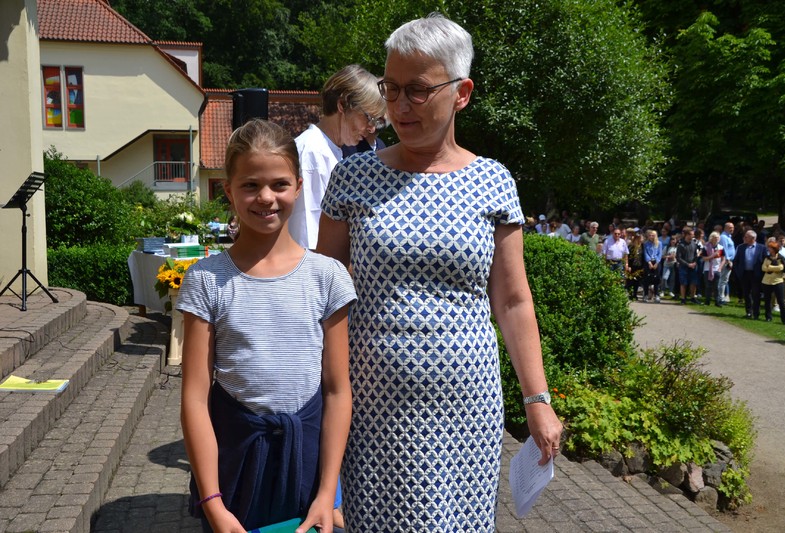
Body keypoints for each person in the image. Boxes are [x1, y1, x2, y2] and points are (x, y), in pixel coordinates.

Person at [315, 14, 562, 531]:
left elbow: (513, 300)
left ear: (461, 93)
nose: (399, 105)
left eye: (418, 90)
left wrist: (537, 400)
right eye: (391, 88)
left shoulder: (493, 181)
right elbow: (325, 293)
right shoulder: (353, 176)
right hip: (374, 407)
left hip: (466, 408)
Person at [178, 120, 356, 533]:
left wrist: (327, 493)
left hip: (307, 467)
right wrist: (213, 504)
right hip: (236, 468)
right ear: (229, 191)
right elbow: (195, 398)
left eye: (279, 184)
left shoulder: (327, 277)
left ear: (298, 186)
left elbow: (336, 390)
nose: (266, 197)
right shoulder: (206, 280)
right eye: (250, 185)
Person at [288, 64, 386, 250]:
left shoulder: (330, 150)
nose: (372, 128)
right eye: (368, 118)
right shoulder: (313, 153)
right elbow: (309, 236)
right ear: (342, 105)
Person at [733, 230, 769, 319]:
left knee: (756, 294)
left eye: (746, 236)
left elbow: (765, 260)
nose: (744, 238)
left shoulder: (762, 248)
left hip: (756, 274)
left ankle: (756, 313)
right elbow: (736, 261)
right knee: (746, 294)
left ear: (753, 238)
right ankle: (749, 312)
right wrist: (739, 272)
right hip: (744, 274)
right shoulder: (741, 247)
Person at [762, 240, 785, 324]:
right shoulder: (767, 258)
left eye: (770, 248)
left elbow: (782, 267)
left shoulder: (781, 258)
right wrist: (775, 268)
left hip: (778, 281)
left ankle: (784, 319)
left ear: (774, 249)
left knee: (781, 301)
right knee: (767, 301)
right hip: (767, 282)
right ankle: (768, 317)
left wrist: (770, 267)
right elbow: (763, 268)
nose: (768, 249)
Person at [676, 227, 701, 305]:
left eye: (693, 234)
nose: (692, 236)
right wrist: (688, 264)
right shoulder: (681, 245)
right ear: (686, 235)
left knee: (693, 282)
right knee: (683, 283)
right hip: (684, 266)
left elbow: (695, 254)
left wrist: (694, 262)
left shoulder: (694, 244)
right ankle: (683, 299)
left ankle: (692, 298)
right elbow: (678, 257)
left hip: (693, 266)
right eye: (691, 234)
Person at [701, 231, 726, 307]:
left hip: (717, 269)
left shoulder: (721, 248)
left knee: (716, 287)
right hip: (707, 269)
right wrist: (712, 256)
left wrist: (720, 268)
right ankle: (707, 301)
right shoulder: (706, 247)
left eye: (718, 237)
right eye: (715, 237)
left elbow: (723, 259)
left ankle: (717, 302)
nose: (717, 239)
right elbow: (704, 258)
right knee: (708, 286)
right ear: (711, 238)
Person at [642, 229, 662, 303]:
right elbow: (645, 253)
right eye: (650, 235)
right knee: (646, 279)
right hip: (648, 262)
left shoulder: (659, 243)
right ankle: (646, 295)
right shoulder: (646, 243)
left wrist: (657, 262)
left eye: (653, 235)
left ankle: (656, 295)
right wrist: (649, 262)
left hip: (656, 262)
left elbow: (660, 253)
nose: (651, 236)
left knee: (656, 279)